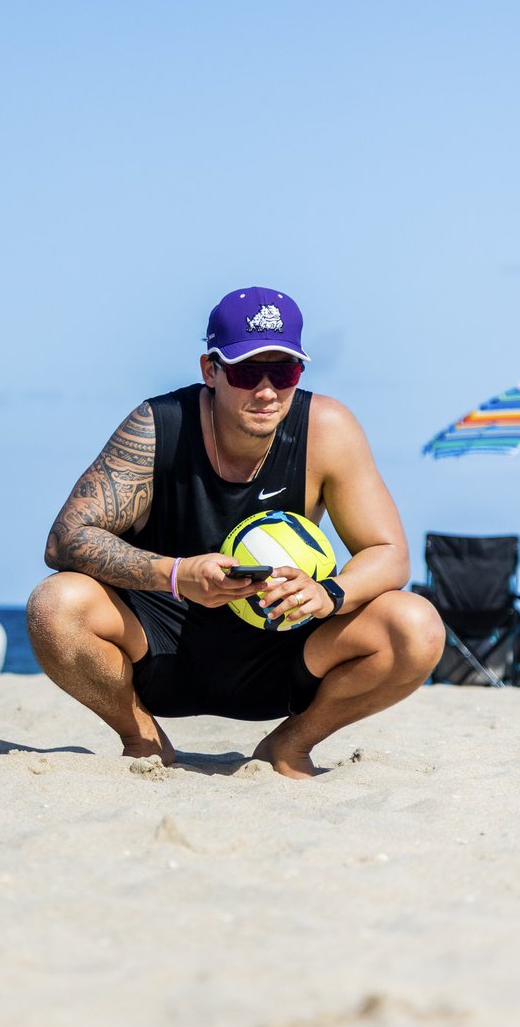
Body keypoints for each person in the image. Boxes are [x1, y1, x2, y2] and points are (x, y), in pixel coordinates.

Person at [26, 286, 444, 778]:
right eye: (247, 372)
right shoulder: (158, 425)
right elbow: (66, 538)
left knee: (416, 626)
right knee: (54, 605)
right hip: (163, 648)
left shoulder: (327, 428)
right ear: (211, 370)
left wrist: (329, 593)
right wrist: (177, 574)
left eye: (284, 372)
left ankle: (290, 745)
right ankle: (142, 739)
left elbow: (390, 553)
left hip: (286, 653)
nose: (266, 391)